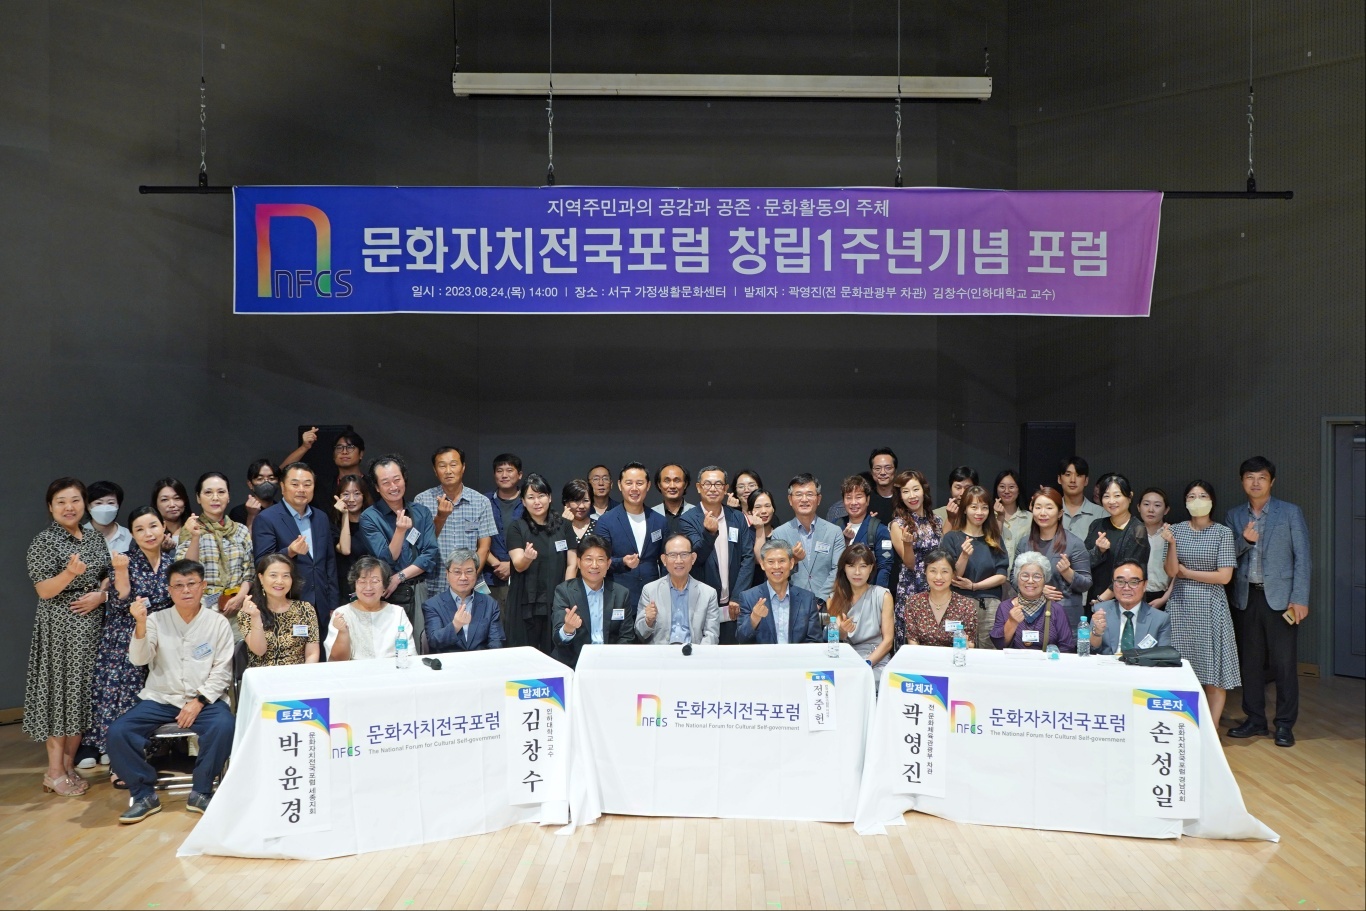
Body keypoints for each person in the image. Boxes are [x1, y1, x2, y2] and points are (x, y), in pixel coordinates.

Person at [106, 559, 235, 823]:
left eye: (192, 584)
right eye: (178, 585)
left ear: (203, 586)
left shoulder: (218, 623)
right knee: (119, 732)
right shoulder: (155, 620)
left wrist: (199, 701)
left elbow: (222, 671)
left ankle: (201, 791)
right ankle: (144, 795)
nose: (186, 590)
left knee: (224, 725)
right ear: (169, 590)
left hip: (204, 700)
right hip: (161, 698)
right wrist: (140, 625)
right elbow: (139, 659)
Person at [25, 478, 112, 797]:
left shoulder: (93, 537)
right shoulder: (44, 542)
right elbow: (44, 590)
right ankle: (54, 772)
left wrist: (100, 596)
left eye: (75, 500)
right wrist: (70, 574)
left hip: (92, 629)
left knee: (82, 698)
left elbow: (106, 575)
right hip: (60, 631)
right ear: (50, 507)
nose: (69, 507)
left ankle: (67, 766)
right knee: (60, 698)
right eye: (61, 501)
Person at [1226, 456, 1310, 747]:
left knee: (1284, 664)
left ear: (1271, 481)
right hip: (1246, 597)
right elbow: (1227, 555)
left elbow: (1303, 558)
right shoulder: (1234, 515)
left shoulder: (1290, 512)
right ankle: (1255, 720)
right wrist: (1244, 541)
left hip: (1282, 600)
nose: (1255, 483)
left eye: (1261, 477)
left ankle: (1284, 724)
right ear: (1242, 482)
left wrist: (1299, 598)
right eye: (1249, 477)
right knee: (1250, 662)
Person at [81, 507, 172, 775]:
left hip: (161, 635)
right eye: (140, 529)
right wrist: (120, 571)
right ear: (132, 534)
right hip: (126, 635)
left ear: (163, 527)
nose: (148, 533)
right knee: (124, 695)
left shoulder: (171, 562)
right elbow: (121, 601)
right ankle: (116, 754)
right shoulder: (124, 560)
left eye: (153, 526)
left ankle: (151, 751)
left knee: (154, 695)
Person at [1162, 480, 1240, 728]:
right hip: (1181, 605)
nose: (1197, 501)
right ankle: (1182, 727)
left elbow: (1224, 576)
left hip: (1211, 605)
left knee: (1213, 672)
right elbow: (1171, 571)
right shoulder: (1175, 530)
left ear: (1212, 501)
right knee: (1179, 668)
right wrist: (1172, 544)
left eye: (1203, 496)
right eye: (1191, 496)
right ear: (1185, 502)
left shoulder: (1223, 532)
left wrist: (1188, 572)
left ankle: (1211, 730)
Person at [251, 462, 340, 634]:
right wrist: (289, 552)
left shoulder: (321, 517)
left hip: (321, 604)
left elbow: (329, 562)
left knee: (322, 650)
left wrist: (333, 604)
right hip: (287, 602)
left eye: (307, 484)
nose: (301, 489)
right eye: (295, 484)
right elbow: (261, 563)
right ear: (283, 487)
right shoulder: (267, 518)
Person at [359, 455, 441, 623]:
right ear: (377, 487)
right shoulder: (370, 517)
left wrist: (399, 577)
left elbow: (430, 554)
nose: (393, 487)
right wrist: (400, 531)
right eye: (386, 483)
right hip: (389, 593)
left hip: (419, 588)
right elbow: (386, 559)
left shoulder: (421, 512)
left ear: (404, 479)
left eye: (397, 480)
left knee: (420, 637)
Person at [681, 466, 755, 645]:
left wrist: (737, 596)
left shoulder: (737, 518)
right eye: (707, 484)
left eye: (718, 484)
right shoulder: (688, 519)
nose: (713, 489)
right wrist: (709, 533)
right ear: (699, 487)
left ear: (726, 488)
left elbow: (748, 557)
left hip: (732, 605)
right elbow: (695, 559)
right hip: (701, 604)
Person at [506, 473, 578, 653]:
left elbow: (572, 563)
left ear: (550, 497)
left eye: (541, 496)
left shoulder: (564, 525)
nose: (537, 502)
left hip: (556, 599)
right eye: (531, 497)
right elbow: (518, 565)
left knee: (555, 651)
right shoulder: (516, 527)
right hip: (525, 601)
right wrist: (527, 558)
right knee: (523, 652)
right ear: (523, 502)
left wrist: (567, 594)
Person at [413, 446, 495, 597]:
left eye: (453, 464)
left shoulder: (481, 501)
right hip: (434, 583)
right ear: (435, 470)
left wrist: (469, 577)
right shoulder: (422, 500)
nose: (448, 471)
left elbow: (484, 547)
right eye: (442, 466)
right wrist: (440, 518)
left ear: (463, 467)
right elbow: (419, 544)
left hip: (471, 586)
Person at [175, 472, 252, 624]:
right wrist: (195, 537)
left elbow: (250, 572)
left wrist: (240, 597)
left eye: (221, 492)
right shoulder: (190, 528)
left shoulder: (241, 531)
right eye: (208, 492)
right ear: (198, 498)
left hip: (237, 608)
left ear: (228, 496)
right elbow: (185, 570)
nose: (215, 498)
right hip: (201, 609)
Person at [550, 535, 635, 668]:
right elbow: (557, 640)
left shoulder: (621, 594)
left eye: (600, 560)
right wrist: (568, 630)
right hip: (574, 663)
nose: (594, 565)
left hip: (610, 663)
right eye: (589, 559)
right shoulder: (564, 591)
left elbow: (627, 637)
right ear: (579, 562)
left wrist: (613, 662)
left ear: (608, 564)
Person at [595, 462, 668, 615]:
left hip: (653, 597)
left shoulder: (659, 521)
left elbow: (665, 561)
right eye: (629, 483)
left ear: (648, 486)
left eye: (639, 483)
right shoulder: (606, 521)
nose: (634, 488)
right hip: (618, 596)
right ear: (620, 485)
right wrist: (622, 562)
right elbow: (600, 560)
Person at [1014, 487, 1092, 630]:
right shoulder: (1024, 543)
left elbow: (1086, 584)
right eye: (1038, 507)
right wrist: (1037, 589)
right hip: (1030, 614)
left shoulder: (1074, 544)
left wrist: (1068, 573)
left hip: (1065, 616)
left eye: (1049, 508)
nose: (1043, 513)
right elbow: (1014, 579)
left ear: (1060, 513)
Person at [941, 485, 1009, 650]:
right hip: (959, 603)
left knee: (990, 652)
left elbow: (1002, 575)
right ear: (964, 509)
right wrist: (964, 556)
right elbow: (952, 577)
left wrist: (974, 586)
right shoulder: (952, 538)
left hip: (990, 604)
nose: (980, 512)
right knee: (960, 649)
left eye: (984, 508)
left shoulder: (994, 538)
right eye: (974, 507)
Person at [636, 534, 720, 645]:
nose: (679, 561)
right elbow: (640, 633)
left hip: (694, 652)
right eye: (673, 555)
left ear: (693, 558)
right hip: (661, 653)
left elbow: (711, 635)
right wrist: (648, 621)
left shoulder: (708, 593)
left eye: (684, 554)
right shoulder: (650, 590)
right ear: (664, 559)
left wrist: (699, 654)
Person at [735, 540, 825, 645]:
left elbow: (815, 640)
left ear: (791, 563)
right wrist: (754, 618)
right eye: (771, 562)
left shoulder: (807, 599)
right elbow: (741, 639)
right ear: (762, 564)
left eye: (782, 561)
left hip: (796, 655)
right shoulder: (748, 597)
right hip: (764, 655)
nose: (777, 566)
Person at [772, 473, 844, 601]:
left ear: (818, 499)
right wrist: (793, 560)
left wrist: (820, 598)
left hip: (827, 602)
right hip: (793, 602)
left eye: (810, 494)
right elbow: (775, 572)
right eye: (799, 494)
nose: (804, 499)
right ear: (790, 500)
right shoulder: (779, 534)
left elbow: (838, 569)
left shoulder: (834, 532)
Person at [239, 554, 321, 667]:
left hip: (298, 674)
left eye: (285, 576)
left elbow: (312, 654)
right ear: (261, 578)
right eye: (273, 575)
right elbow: (259, 651)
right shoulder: (248, 612)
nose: (280, 581)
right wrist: (255, 617)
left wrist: (304, 674)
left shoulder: (305, 609)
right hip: (263, 675)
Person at [1083, 473, 1151, 607]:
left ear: (1130, 496)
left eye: (1117, 495)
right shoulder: (1096, 525)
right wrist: (1099, 551)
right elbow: (1083, 562)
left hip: (1123, 601)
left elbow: (1131, 574)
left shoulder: (1137, 530)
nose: (1111, 501)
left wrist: (1101, 600)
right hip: (1094, 596)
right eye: (1106, 496)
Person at [325, 556, 411, 661]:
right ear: (355, 585)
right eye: (362, 581)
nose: (368, 587)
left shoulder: (397, 613)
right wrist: (343, 633)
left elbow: (409, 655)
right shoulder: (342, 614)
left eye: (375, 581)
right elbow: (337, 661)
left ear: (385, 586)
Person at [991, 551, 1076, 652]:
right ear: (1017, 578)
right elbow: (999, 646)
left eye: (1037, 576)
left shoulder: (1056, 610)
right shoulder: (1005, 607)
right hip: (1014, 661)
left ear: (1045, 580)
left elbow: (1067, 647)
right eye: (1025, 576)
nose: (1030, 581)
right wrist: (1011, 622)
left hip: (1047, 661)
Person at [828, 544, 895, 673]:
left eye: (863, 566)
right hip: (846, 657)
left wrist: (867, 663)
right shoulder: (833, 599)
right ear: (844, 568)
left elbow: (888, 641)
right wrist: (843, 630)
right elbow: (839, 637)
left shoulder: (883, 596)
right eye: (851, 566)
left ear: (871, 568)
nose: (857, 572)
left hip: (876, 658)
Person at [422, 550, 506, 652]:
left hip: (480, 659)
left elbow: (497, 641)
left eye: (469, 571)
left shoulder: (490, 603)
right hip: (448, 660)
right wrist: (455, 626)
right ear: (447, 574)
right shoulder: (432, 605)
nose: (463, 577)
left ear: (476, 573)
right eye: (457, 572)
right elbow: (434, 641)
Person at [1088, 559, 1172, 656]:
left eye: (1134, 582)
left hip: (1142, 665)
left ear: (1144, 585)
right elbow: (1091, 652)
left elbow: (1163, 656)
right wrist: (1097, 633)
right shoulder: (1101, 611)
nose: (1126, 588)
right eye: (1120, 581)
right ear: (1113, 584)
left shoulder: (1160, 619)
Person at [889, 469, 943, 615]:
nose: (912, 496)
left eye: (916, 489)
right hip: (912, 587)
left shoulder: (937, 520)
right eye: (906, 491)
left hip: (937, 585)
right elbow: (910, 564)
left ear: (923, 491)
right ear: (900, 496)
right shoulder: (898, 524)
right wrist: (907, 545)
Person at [899, 549, 978, 648]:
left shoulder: (966, 605)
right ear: (925, 572)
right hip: (922, 656)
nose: (938, 577)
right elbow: (913, 643)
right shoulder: (914, 603)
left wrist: (964, 645)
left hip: (955, 655)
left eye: (945, 571)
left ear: (953, 574)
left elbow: (970, 643)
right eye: (933, 571)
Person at [835, 475, 894, 588]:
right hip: (840, 592)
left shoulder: (879, 529)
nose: (853, 502)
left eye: (858, 497)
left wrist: (878, 595)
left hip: (868, 593)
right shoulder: (836, 526)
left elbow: (884, 567)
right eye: (848, 498)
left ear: (867, 500)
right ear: (843, 501)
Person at [483, 453, 525, 609]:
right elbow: (476, 537)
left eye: (509, 470)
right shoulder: (483, 501)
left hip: (522, 577)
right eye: (499, 471)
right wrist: (496, 564)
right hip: (490, 576)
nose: (504, 475)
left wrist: (512, 566)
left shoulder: (530, 501)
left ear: (519, 474)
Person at [332, 474, 372, 602]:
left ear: (364, 496)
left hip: (371, 586)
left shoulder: (373, 522)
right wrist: (345, 515)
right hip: (345, 588)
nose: (351, 499)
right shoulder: (333, 524)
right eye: (345, 494)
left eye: (357, 494)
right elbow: (345, 550)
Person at [1137, 487, 1174, 608]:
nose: (1151, 510)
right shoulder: (1131, 533)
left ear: (1166, 510)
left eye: (1157, 505)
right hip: (1134, 594)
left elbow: (1177, 573)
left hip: (1164, 596)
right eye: (1146, 504)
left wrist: (1164, 598)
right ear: (1138, 507)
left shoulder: (1173, 534)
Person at [992, 469, 1030, 577]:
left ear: (1019, 490)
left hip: (1022, 577)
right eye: (1002, 487)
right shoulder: (986, 516)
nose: (1006, 491)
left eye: (1011, 487)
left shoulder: (1030, 518)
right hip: (993, 576)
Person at [1058, 456, 1106, 538]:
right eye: (1068, 474)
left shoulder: (1101, 514)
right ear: (1059, 479)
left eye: (1078, 475)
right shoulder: (1050, 511)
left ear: (1086, 480)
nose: (1073, 480)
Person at [227, 459, 280, 531]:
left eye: (271, 478)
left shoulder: (283, 511)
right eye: (260, 479)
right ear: (250, 484)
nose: (266, 483)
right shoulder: (238, 512)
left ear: (279, 483)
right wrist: (251, 516)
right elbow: (242, 538)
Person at [84, 480, 132, 555]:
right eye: (98, 503)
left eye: (111, 503)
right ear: (88, 506)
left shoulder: (130, 536)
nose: (105, 508)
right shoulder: (77, 536)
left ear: (118, 506)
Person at [744, 488, 778, 588]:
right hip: (753, 588)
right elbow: (760, 560)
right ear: (750, 512)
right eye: (758, 507)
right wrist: (760, 528)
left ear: (773, 509)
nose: (763, 511)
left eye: (767, 506)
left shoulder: (780, 533)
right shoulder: (745, 534)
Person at [652, 463, 697, 535]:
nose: (672, 486)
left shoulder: (696, 513)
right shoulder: (651, 515)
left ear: (685, 484)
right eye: (667, 481)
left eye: (677, 480)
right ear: (659, 485)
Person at [151, 477, 191, 551]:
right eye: (165, 500)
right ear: (156, 504)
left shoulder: (197, 529)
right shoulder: (149, 535)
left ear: (185, 501)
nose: (172, 505)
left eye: (177, 498)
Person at [562, 479, 598, 544]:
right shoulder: (558, 528)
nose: (581, 506)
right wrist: (564, 524)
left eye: (586, 501)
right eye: (576, 500)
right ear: (567, 503)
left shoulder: (600, 526)